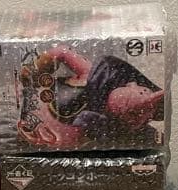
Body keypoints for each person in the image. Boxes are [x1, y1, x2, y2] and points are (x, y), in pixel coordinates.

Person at [17, 47, 164, 148]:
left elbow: (66, 141)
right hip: (30, 98)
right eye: (142, 92)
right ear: (130, 84)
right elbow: (61, 52)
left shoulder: (103, 128)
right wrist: (34, 69)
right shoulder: (96, 75)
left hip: (37, 127)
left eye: (136, 115)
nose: (134, 109)